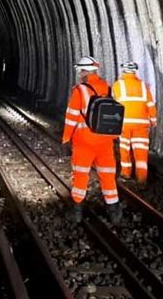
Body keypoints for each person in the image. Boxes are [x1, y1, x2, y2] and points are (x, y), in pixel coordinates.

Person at [61, 56, 121, 223]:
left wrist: (66, 139)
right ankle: (114, 212)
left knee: (81, 176)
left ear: (83, 71)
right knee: (108, 175)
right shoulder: (107, 88)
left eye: (79, 71)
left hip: (84, 142)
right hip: (105, 141)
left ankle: (77, 212)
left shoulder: (80, 90)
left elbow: (71, 117)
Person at [113, 61, 157, 187]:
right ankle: (142, 179)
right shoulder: (143, 86)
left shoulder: (117, 85)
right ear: (134, 71)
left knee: (125, 149)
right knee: (141, 151)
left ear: (123, 71)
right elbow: (150, 104)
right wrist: (153, 120)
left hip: (124, 123)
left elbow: (114, 104)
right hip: (141, 124)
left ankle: (126, 174)